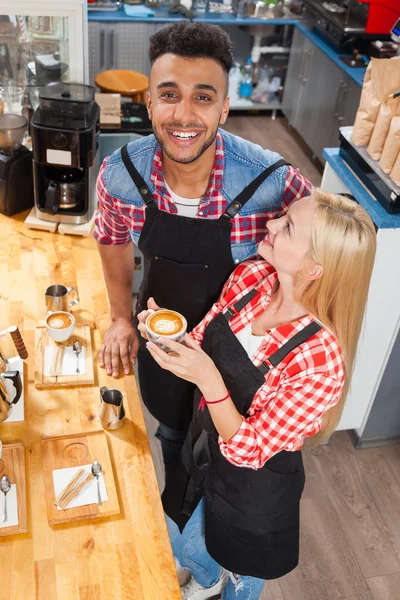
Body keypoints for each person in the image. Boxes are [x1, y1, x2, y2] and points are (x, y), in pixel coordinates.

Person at [93, 21, 312, 479]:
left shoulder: (275, 184)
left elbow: (328, 260)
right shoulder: (119, 177)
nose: (185, 116)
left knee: (233, 480)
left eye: (204, 97)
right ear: (149, 101)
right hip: (165, 353)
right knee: (174, 445)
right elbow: (111, 240)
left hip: (243, 378)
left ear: (225, 108)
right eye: (170, 95)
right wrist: (118, 316)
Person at [137, 190, 376, 600]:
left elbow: (247, 448)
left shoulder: (319, 360)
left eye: (287, 228)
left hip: (255, 486)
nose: (269, 225)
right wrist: (166, 335)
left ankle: (226, 585)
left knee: (242, 575)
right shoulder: (251, 278)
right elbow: (201, 339)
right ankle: (207, 578)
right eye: (282, 217)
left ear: (314, 268)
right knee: (179, 539)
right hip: (203, 444)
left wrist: (209, 380)